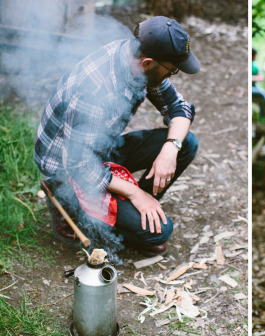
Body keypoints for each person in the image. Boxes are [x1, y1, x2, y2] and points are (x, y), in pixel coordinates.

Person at [34, 16, 200, 259]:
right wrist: (135, 193)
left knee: (186, 142)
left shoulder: (138, 61)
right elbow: (80, 166)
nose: (173, 74)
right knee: (160, 233)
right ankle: (64, 198)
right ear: (148, 63)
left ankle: (139, 213)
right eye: (172, 69)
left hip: (100, 149)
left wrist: (170, 149)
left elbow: (178, 107)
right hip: (69, 168)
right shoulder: (96, 89)